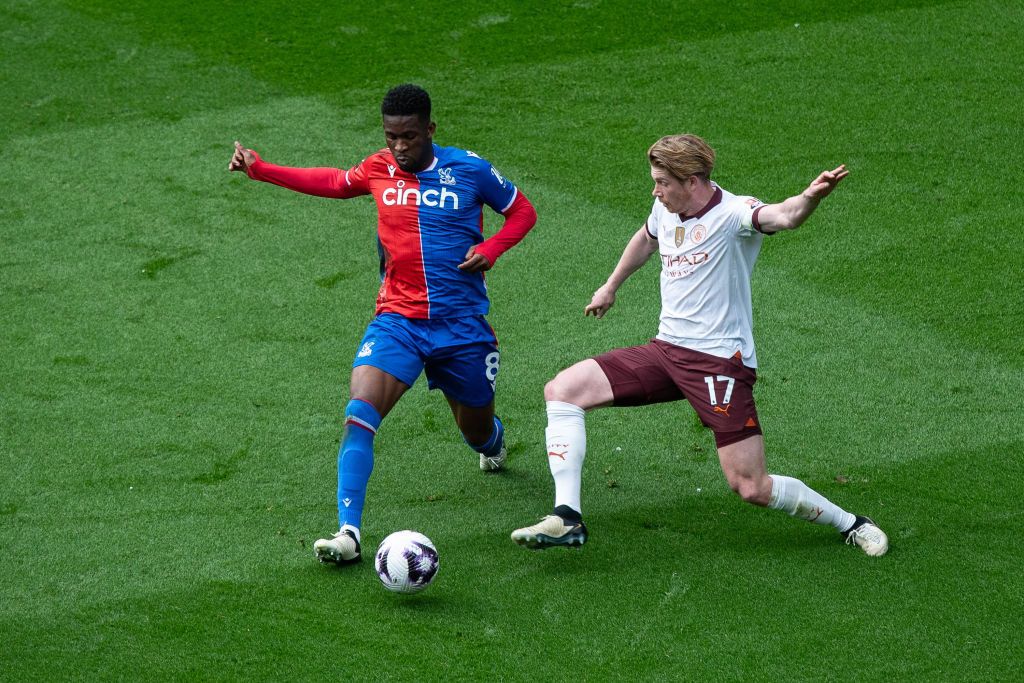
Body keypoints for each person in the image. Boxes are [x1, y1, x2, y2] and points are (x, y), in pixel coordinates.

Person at [511, 134, 888, 557]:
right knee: (562, 391)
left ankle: (852, 524)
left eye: (662, 182)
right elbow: (647, 238)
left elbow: (784, 217)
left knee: (750, 486)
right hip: (665, 350)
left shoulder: (734, 214)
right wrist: (611, 285)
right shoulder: (665, 208)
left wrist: (810, 197)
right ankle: (568, 517)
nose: (655, 191)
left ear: (691, 181)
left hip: (718, 364)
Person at [230, 84, 537, 565]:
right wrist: (260, 169)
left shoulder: (470, 170)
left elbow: (522, 212)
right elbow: (332, 182)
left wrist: (491, 250)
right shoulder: (379, 168)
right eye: (391, 136)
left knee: (477, 428)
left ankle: (491, 442)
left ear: (430, 130)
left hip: (461, 328)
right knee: (359, 413)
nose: (399, 146)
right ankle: (348, 533)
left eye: (409, 136)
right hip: (397, 322)